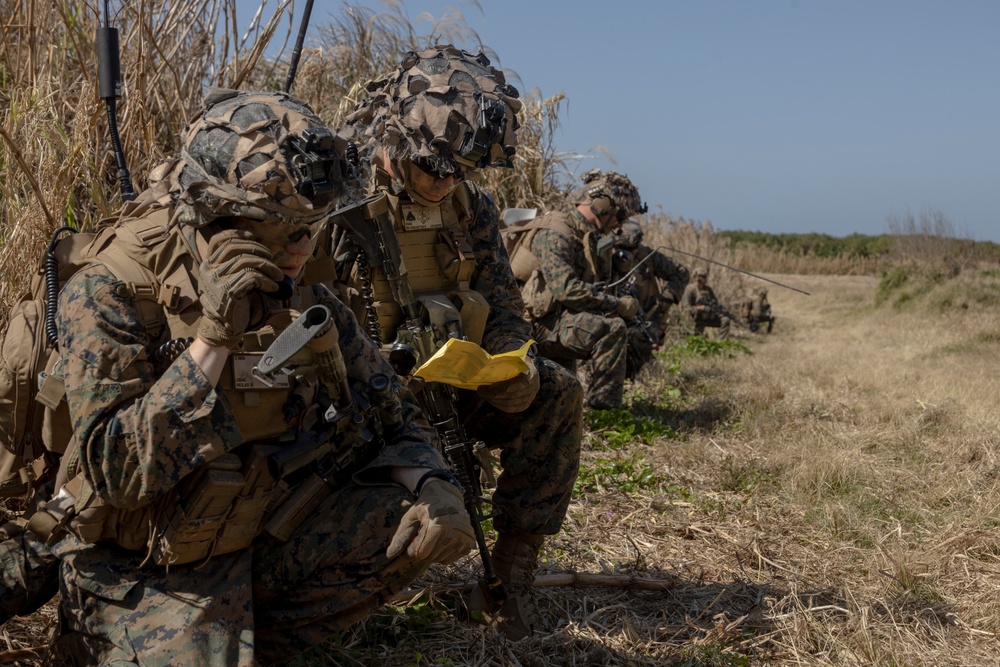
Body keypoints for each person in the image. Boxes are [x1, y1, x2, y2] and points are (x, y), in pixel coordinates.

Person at [29, 89, 477, 666]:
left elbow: (392, 413)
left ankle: (251, 641)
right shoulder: (110, 291)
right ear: (211, 211)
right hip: (142, 565)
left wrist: (431, 482)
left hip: (255, 532)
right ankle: (116, 635)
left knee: (408, 521)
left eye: (310, 227)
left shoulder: (305, 288)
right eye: (279, 227)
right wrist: (210, 341)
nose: (300, 248)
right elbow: (116, 472)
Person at [333, 45, 584, 641]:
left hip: (452, 375)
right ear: (394, 148)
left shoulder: (470, 205)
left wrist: (512, 364)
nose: (447, 184)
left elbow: (502, 304)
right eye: (435, 170)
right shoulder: (337, 200)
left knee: (557, 394)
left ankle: (512, 573)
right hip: (359, 392)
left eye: (460, 172)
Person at [510, 168, 647, 410]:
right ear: (602, 205)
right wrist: (617, 305)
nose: (620, 223)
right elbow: (567, 290)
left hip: (554, 318)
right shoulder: (558, 233)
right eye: (620, 213)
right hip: (531, 325)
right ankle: (605, 410)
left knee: (562, 391)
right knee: (611, 329)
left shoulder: (587, 237)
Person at [611, 219, 689, 378]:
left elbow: (681, 272)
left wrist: (667, 298)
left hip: (646, 317)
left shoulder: (649, 257)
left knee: (639, 345)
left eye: (630, 249)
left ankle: (641, 376)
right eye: (621, 248)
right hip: (615, 313)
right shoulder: (606, 256)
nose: (626, 254)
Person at [681, 267, 732, 340]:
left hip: (708, 317)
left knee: (725, 320)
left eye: (704, 277)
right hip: (695, 319)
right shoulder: (690, 289)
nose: (702, 279)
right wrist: (701, 308)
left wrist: (716, 309)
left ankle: (719, 343)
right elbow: (686, 308)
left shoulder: (708, 289)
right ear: (695, 277)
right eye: (700, 276)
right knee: (696, 340)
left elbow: (715, 303)